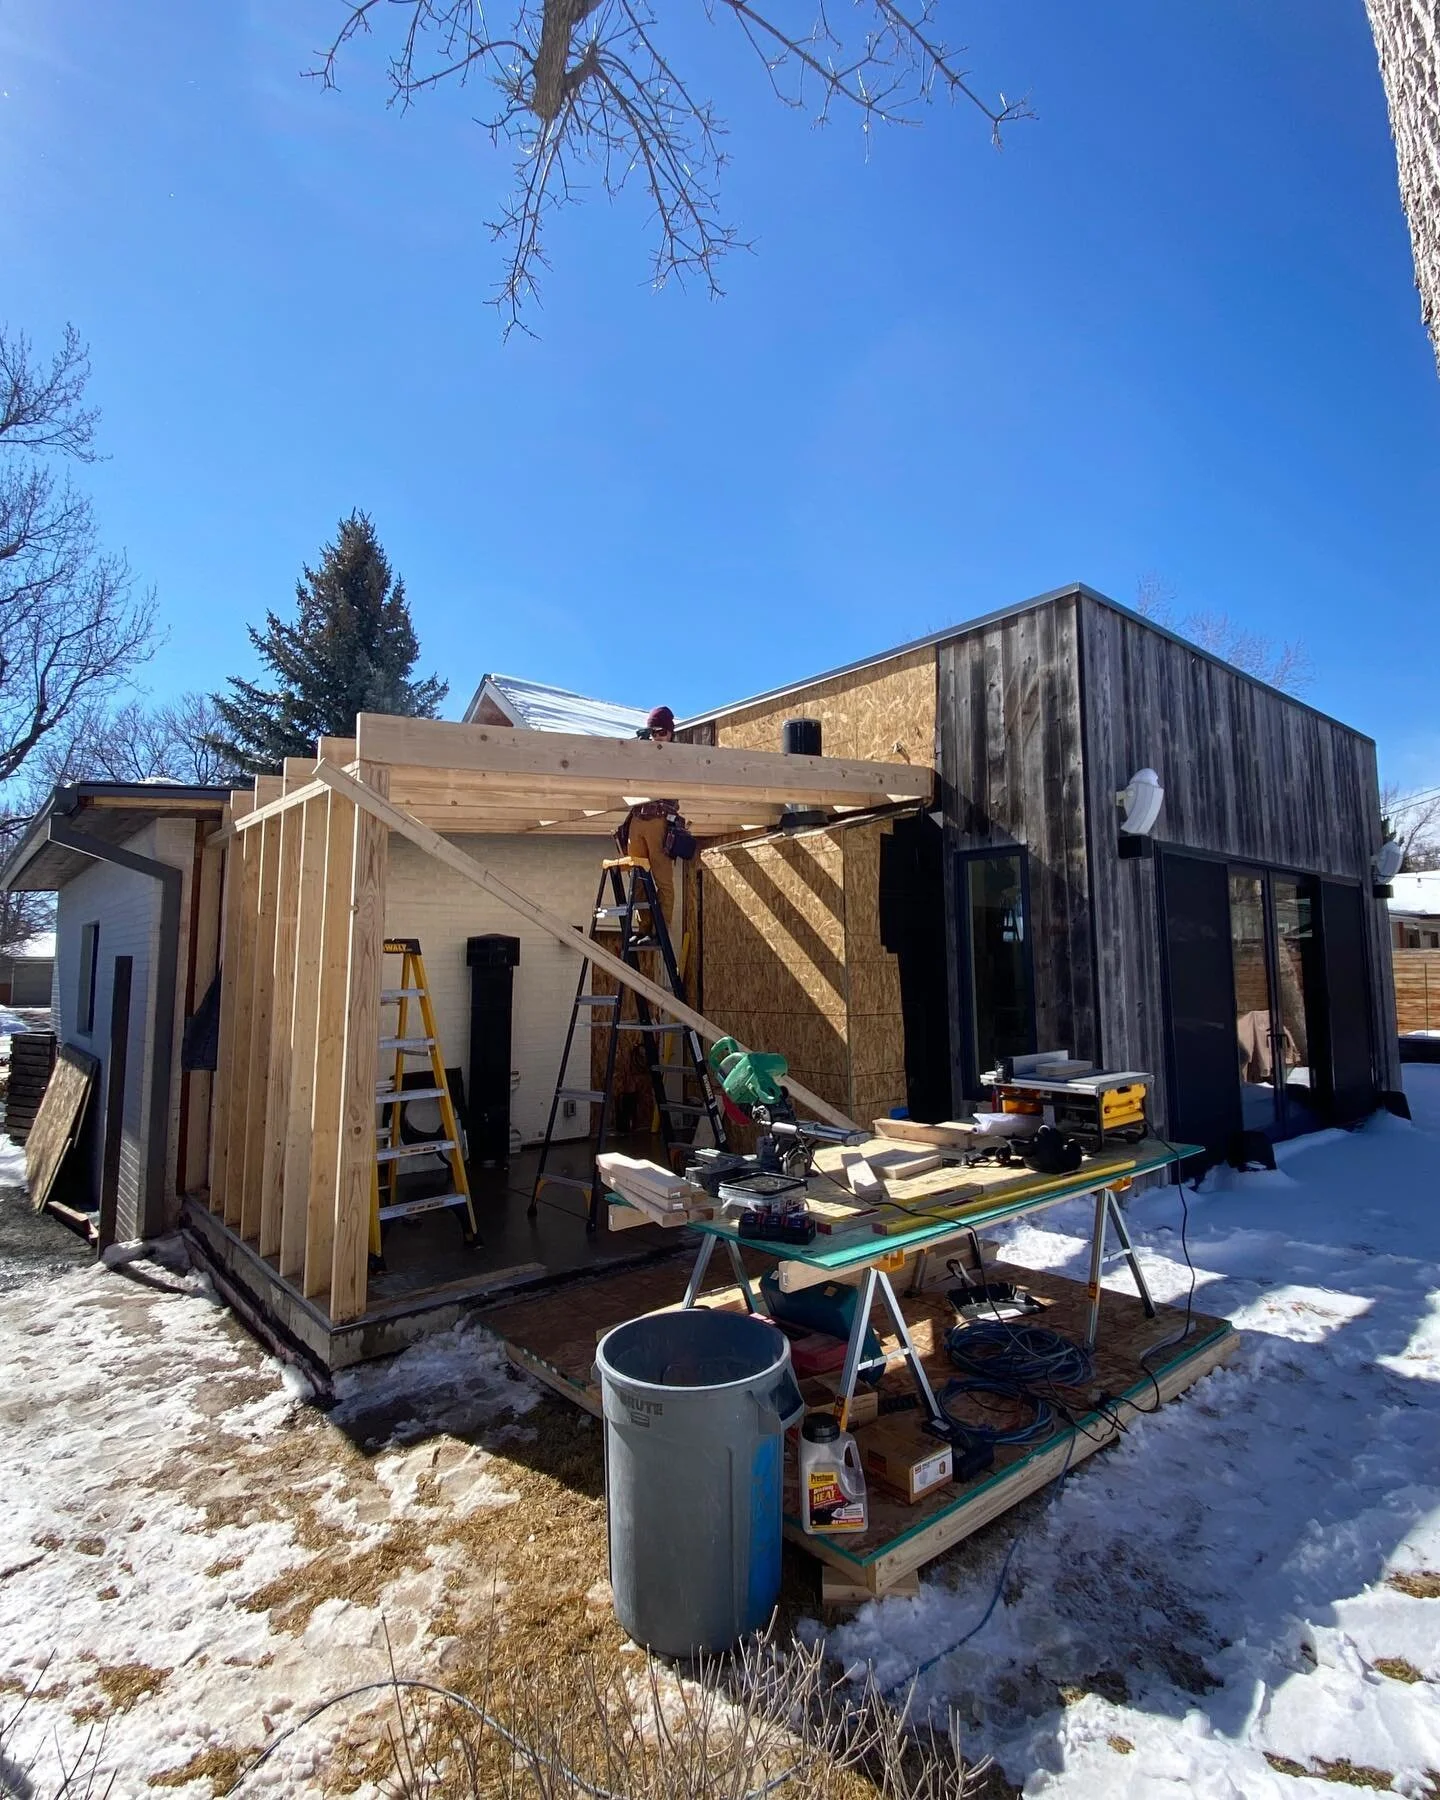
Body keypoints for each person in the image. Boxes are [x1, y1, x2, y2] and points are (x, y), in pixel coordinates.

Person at [621, 705, 679, 942]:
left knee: (662, 878)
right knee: (637, 875)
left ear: (670, 732)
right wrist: (638, 747)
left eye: (662, 732)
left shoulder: (676, 755)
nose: (657, 736)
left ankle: (660, 930)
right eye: (653, 732)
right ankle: (643, 927)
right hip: (638, 817)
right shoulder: (642, 753)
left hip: (659, 819)